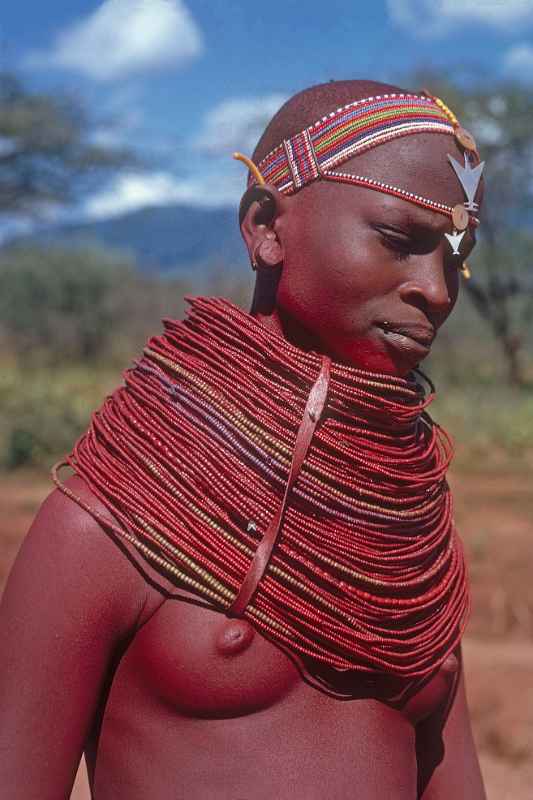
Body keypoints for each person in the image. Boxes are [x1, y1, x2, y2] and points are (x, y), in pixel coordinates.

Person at [0, 79, 486, 799]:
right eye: (397, 239)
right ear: (265, 226)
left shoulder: (402, 538)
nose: (437, 291)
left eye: (453, 255)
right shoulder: (116, 518)